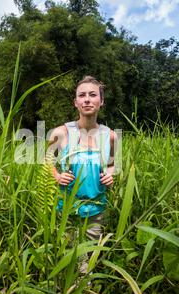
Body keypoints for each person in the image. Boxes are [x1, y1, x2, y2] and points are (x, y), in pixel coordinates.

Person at [47, 75, 117, 274]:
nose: (87, 99)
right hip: (66, 207)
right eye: (82, 95)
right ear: (75, 102)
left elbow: (112, 164)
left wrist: (110, 175)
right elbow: (46, 160)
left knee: (89, 254)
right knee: (70, 256)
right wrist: (57, 176)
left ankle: (84, 287)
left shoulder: (110, 136)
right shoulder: (61, 133)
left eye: (93, 95)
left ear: (101, 101)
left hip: (96, 208)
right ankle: (74, 287)